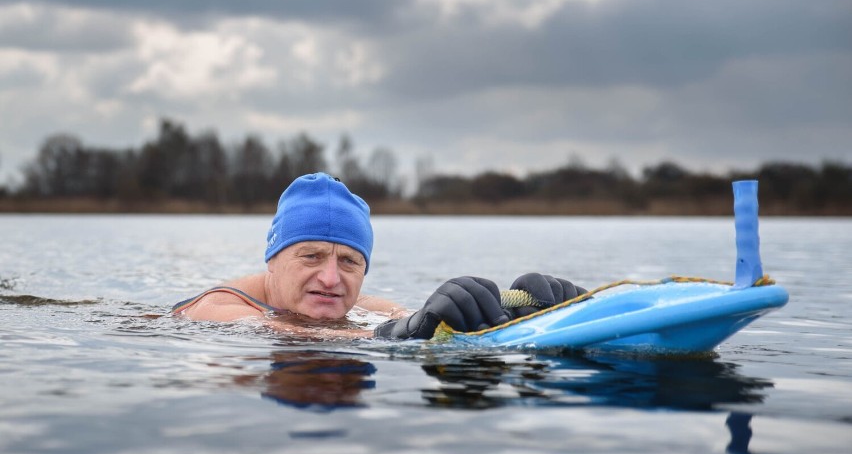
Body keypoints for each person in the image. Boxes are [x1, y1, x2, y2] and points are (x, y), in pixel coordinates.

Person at [173, 172, 586, 340]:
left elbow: (412, 318)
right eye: (311, 257)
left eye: (349, 262)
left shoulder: (360, 308)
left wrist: (514, 317)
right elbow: (281, 332)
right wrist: (392, 339)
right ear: (273, 260)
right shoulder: (217, 307)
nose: (331, 279)